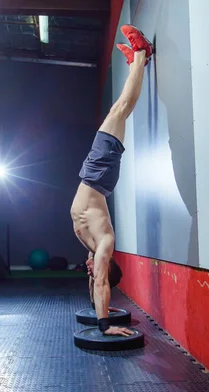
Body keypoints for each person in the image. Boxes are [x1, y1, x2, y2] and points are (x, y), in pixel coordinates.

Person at [70, 25, 153, 337]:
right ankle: (141, 54)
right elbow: (102, 281)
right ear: (105, 263)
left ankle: (137, 63)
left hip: (96, 178)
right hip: (97, 175)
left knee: (116, 112)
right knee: (121, 109)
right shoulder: (103, 245)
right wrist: (105, 326)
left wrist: (97, 310)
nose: (89, 271)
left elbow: (96, 284)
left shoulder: (94, 250)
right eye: (95, 270)